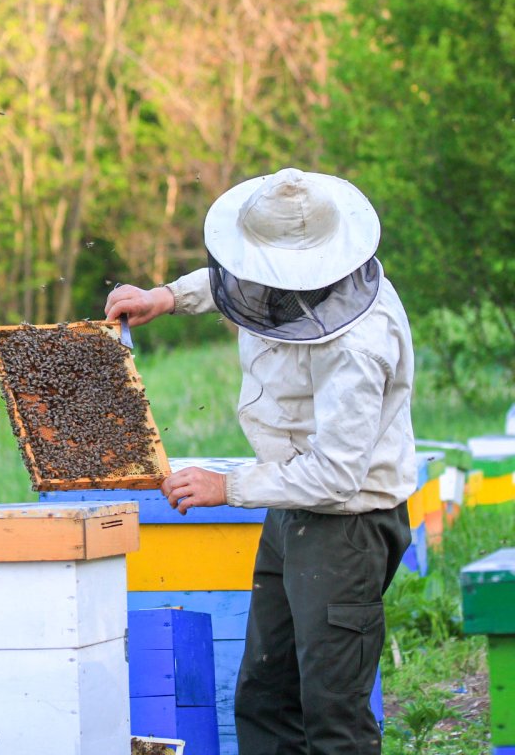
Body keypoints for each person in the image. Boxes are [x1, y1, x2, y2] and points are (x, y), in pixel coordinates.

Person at [105, 167, 415, 755]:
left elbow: (337, 474)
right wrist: (167, 296)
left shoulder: (358, 344)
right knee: (266, 698)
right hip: (291, 508)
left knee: (332, 718)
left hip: (346, 524)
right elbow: (237, 277)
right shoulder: (280, 275)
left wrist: (228, 487)